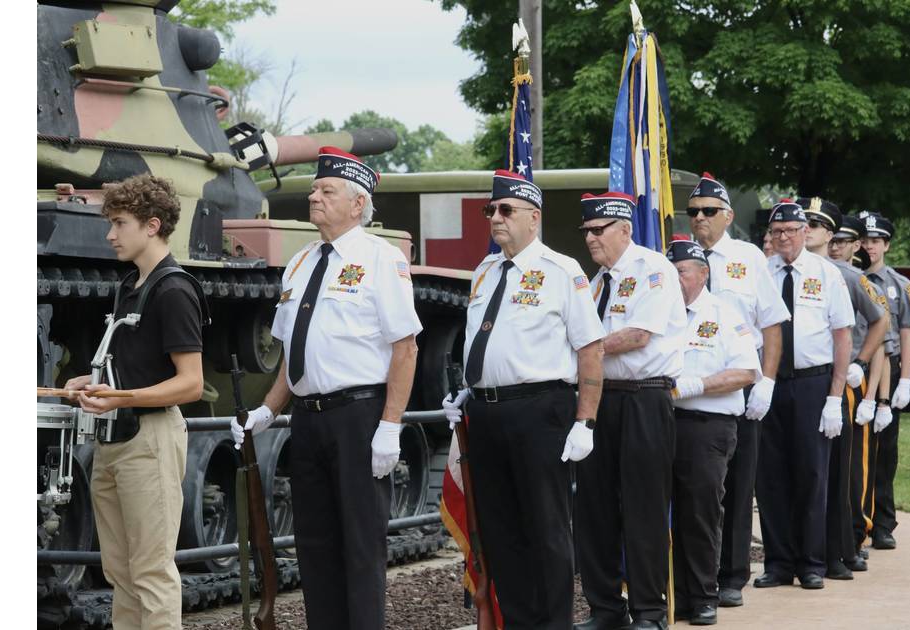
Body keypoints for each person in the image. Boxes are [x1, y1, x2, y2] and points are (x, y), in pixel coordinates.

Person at [231, 147, 421, 629]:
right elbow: (295, 356)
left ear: (357, 204)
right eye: (314, 189)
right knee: (314, 544)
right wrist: (267, 412)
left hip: (359, 416)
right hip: (309, 420)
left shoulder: (382, 260)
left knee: (360, 545)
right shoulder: (300, 262)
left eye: (325, 190)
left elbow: (406, 347)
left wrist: (390, 426)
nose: (313, 196)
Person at [438, 170, 606, 629]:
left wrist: (585, 421)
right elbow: (486, 342)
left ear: (533, 217)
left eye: (506, 209)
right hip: (487, 413)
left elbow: (590, 349)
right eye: (490, 210)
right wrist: (467, 391)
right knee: (500, 531)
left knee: (546, 530)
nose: (495, 217)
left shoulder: (561, 270)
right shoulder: (485, 271)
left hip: (540, 410)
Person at [63, 174, 206, 630]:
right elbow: (138, 368)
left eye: (119, 223)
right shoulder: (130, 285)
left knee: (150, 573)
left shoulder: (174, 289)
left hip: (150, 439)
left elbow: (191, 384)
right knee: (120, 573)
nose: (109, 234)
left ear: (152, 225)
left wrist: (120, 396)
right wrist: (89, 381)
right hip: (116, 442)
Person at [575, 192, 685, 630]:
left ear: (624, 229)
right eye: (586, 232)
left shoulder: (653, 270)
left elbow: (638, 335)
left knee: (643, 508)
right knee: (595, 508)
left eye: (598, 230)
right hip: (601, 397)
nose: (589, 239)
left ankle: (649, 612)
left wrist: (584, 350)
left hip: (644, 397)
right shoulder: (598, 281)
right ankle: (606, 609)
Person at [685, 173, 788, 608]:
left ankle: (731, 575)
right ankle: (693, 577)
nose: (700, 218)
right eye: (693, 212)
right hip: (688, 387)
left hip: (740, 382)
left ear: (728, 215)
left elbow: (772, 323)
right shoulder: (675, 256)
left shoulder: (749, 258)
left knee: (738, 482)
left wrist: (766, 381)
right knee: (696, 487)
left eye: (709, 211)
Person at [754, 200, 853, 590]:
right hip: (771, 382)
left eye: (790, 231)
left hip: (814, 383)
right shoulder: (762, 273)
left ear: (803, 231)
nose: (783, 238)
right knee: (771, 475)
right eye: (776, 232)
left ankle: (812, 562)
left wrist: (834, 397)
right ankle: (778, 562)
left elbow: (842, 335)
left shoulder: (826, 274)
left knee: (812, 473)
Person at [666, 240, 761, 626]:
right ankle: (676, 597)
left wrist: (697, 385)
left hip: (707, 427)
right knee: (659, 513)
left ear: (703, 274)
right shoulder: (663, 314)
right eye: (669, 274)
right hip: (662, 422)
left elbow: (745, 372)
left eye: (682, 272)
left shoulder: (723, 313)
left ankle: (704, 595)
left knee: (700, 513)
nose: (675, 280)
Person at [799, 199, 888, 580]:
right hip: (798, 381)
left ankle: (844, 545)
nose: (811, 229)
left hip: (839, 381)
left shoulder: (848, 276)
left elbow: (881, 321)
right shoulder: (784, 267)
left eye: (818, 224)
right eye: (806, 222)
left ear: (831, 233)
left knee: (842, 472)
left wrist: (860, 363)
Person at [827, 214, 888, 566]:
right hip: (824, 377)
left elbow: (882, 339)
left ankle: (856, 531)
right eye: (832, 240)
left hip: (853, 377)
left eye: (843, 242)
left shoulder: (859, 281)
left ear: (856, 246)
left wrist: (872, 398)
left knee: (855, 467)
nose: (836, 246)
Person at [859, 211, 910, 551]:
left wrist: (906, 380)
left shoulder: (900, 284)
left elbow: (908, 333)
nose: (869, 246)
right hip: (856, 364)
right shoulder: (850, 279)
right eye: (865, 240)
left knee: (885, 451)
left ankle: (883, 523)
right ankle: (856, 517)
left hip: (890, 368)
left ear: (886, 245)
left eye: (875, 241)